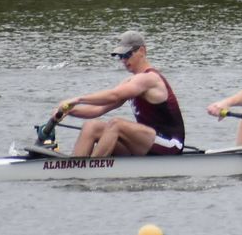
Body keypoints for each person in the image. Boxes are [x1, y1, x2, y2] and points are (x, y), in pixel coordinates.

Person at [54, 31, 187, 156]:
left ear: (142, 51)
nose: (124, 60)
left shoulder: (149, 78)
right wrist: (67, 110)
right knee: (92, 126)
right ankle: (76, 170)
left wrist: (77, 100)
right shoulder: (130, 82)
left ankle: (91, 170)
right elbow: (97, 109)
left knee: (116, 124)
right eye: (121, 56)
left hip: (170, 145)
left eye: (127, 55)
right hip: (145, 142)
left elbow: (114, 95)